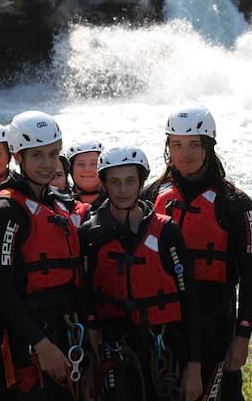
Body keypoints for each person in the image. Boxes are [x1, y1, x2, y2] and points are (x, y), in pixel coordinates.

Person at [145, 104, 252, 400]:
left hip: (215, 324)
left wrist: (243, 336)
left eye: (194, 144)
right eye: (177, 144)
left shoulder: (236, 204)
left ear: (209, 146)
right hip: (164, 323)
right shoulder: (149, 197)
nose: (185, 153)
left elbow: (250, 277)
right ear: (168, 146)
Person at [80, 145, 203, 401]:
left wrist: (194, 366)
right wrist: (92, 362)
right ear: (103, 184)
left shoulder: (166, 231)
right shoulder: (90, 234)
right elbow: (86, 303)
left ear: (141, 182)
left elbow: (189, 300)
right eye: (115, 182)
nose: (123, 190)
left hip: (165, 347)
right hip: (116, 349)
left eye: (129, 181)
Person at [0, 110, 82, 401]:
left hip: (66, 332)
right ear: (17, 157)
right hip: (30, 342)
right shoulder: (6, 211)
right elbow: (0, 289)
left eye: (53, 154)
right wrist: (41, 344)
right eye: (37, 155)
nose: (47, 164)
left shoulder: (60, 203)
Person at [67, 140, 106, 213]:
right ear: (71, 169)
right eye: (81, 164)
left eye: (93, 163)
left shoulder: (116, 202)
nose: (87, 169)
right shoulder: (60, 203)